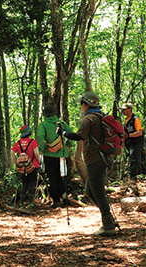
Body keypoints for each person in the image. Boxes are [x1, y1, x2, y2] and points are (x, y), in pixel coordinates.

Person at [58, 91, 118, 235]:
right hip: (102, 158)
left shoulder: (89, 119)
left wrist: (63, 133)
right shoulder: (101, 117)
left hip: (95, 159)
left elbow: (79, 136)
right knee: (90, 191)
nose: (81, 107)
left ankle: (108, 225)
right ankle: (108, 217)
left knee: (97, 192)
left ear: (86, 105)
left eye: (81, 104)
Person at [36, 104, 71, 207]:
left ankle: (56, 201)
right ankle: (65, 198)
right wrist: (68, 145)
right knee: (61, 177)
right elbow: (71, 134)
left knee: (52, 178)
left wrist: (42, 149)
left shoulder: (43, 125)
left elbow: (40, 137)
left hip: (49, 155)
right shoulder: (62, 124)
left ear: (45, 115)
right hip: (62, 155)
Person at [10, 125, 39, 206]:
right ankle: (30, 202)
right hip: (33, 166)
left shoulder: (18, 143)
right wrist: (39, 162)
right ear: (29, 133)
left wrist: (15, 162)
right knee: (32, 183)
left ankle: (22, 203)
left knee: (24, 184)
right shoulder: (33, 142)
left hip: (22, 168)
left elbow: (12, 152)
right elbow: (36, 153)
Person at [121, 102, 144, 180]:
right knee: (134, 161)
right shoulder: (126, 120)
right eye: (122, 110)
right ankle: (138, 178)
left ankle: (134, 179)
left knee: (134, 161)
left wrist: (128, 135)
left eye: (124, 109)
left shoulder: (136, 119)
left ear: (130, 109)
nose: (123, 111)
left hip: (136, 143)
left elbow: (140, 132)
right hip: (130, 144)